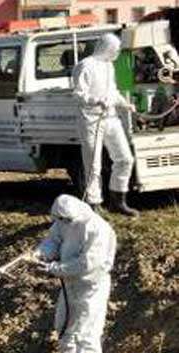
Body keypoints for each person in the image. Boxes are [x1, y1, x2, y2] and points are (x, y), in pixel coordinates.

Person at [30, 194, 117, 353]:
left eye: (64, 219)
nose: (62, 222)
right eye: (59, 219)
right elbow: (53, 239)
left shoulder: (97, 228)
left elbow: (88, 264)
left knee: (87, 335)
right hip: (70, 285)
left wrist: (55, 269)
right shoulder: (63, 221)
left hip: (91, 287)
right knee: (64, 326)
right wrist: (41, 253)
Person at [72, 33, 138, 217]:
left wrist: (125, 104)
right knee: (93, 164)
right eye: (115, 49)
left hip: (111, 118)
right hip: (91, 120)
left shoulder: (109, 66)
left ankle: (118, 200)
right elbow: (78, 94)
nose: (117, 52)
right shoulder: (85, 66)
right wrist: (96, 100)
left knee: (125, 159)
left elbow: (113, 91)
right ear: (107, 47)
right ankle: (93, 203)